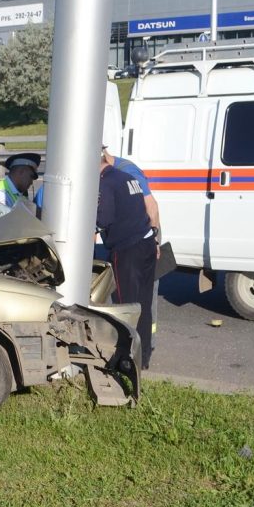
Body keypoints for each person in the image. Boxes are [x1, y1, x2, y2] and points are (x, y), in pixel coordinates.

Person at [96, 148, 157, 369]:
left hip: (127, 250)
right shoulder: (127, 177)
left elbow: (104, 218)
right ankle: (144, 358)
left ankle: (126, 360)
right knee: (143, 305)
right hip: (147, 243)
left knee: (126, 307)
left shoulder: (106, 184)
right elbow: (146, 209)